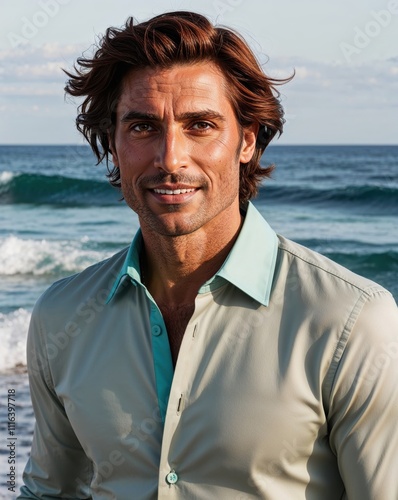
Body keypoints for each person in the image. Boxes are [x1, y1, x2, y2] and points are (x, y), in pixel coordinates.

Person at [19, 11, 398, 500]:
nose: (170, 158)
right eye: (142, 127)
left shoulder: (349, 320)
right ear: (112, 143)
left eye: (200, 125)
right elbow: (47, 491)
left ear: (246, 140)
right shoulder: (60, 316)